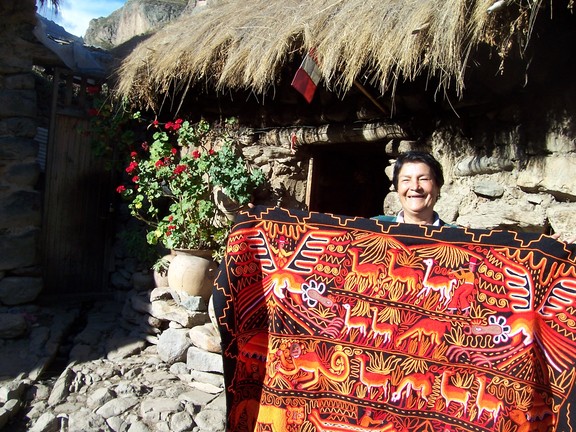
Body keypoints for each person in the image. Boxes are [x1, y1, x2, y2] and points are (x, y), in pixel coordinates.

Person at [373, 151, 446, 226]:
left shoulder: (455, 235)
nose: (415, 187)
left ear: (438, 186)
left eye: (423, 179)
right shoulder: (373, 228)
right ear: (397, 188)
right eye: (406, 180)